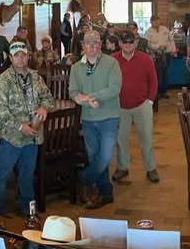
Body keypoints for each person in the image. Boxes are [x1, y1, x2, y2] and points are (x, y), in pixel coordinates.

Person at [0, 41, 54, 217]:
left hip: (32, 136)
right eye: (16, 55)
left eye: (23, 54)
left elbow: (48, 98)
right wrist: (19, 125)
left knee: (27, 176)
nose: (20, 58)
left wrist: (44, 108)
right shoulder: (3, 80)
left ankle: (27, 211)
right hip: (11, 137)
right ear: (10, 58)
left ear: (28, 56)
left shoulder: (36, 77)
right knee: (1, 176)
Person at [69, 30, 122, 209]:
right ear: (82, 46)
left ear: (100, 45)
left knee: (105, 156)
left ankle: (83, 178)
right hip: (89, 119)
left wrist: (91, 96)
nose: (92, 47)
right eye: (88, 43)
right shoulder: (76, 68)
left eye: (95, 43)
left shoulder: (112, 63)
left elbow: (114, 88)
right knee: (94, 157)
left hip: (109, 117)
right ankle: (105, 193)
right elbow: (73, 92)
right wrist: (83, 99)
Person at [112, 31, 160, 185]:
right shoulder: (112, 60)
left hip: (142, 105)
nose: (128, 45)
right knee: (120, 140)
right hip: (119, 106)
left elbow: (153, 82)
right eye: (124, 42)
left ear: (136, 42)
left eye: (131, 42)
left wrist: (150, 102)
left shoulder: (146, 59)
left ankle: (151, 168)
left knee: (146, 138)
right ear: (119, 43)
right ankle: (122, 167)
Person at [143, 15, 176, 98]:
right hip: (156, 56)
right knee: (157, 75)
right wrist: (158, 47)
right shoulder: (148, 32)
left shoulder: (165, 29)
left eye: (158, 20)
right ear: (151, 22)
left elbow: (171, 40)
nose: (156, 22)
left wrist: (173, 49)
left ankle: (163, 92)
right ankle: (156, 93)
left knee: (166, 74)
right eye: (154, 21)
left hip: (167, 54)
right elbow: (147, 44)